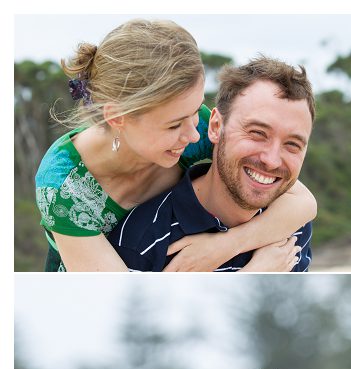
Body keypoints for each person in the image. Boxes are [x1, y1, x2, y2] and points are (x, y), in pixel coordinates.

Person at [34, 19, 316, 271]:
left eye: (195, 110)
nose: (194, 134)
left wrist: (225, 246)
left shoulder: (200, 126)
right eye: (174, 125)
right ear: (117, 117)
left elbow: (302, 202)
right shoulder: (62, 187)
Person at [108, 56, 314, 272]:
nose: (271, 161)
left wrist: (232, 244)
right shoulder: (140, 243)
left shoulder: (294, 225)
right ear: (215, 126)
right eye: (257, 133)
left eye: (292, 144)